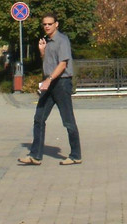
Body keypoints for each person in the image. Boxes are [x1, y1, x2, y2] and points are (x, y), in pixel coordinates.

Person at [18, 13, 81, 166]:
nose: (46, 26)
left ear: (56, 24)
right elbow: (49, 63)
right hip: (49, 84)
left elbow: (62, 64)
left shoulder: (62, 40)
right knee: (39, 118)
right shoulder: (47, 41)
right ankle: (35, 155)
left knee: (68, 121)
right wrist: (42, 52)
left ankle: (75, 155)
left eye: (49, 24)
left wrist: (48, 80)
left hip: (61, 83)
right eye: (44, 24)